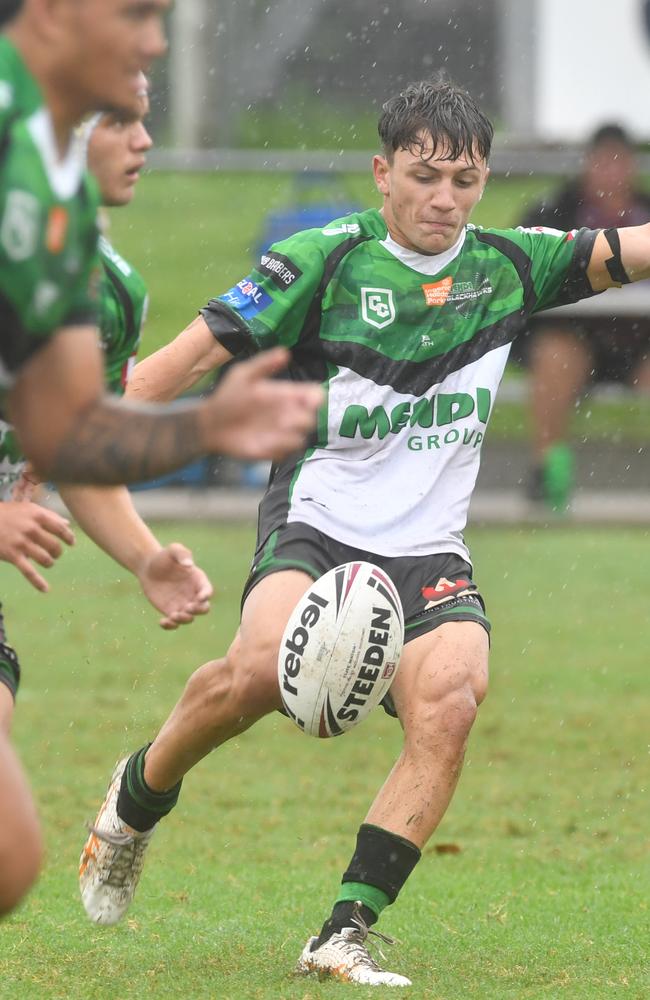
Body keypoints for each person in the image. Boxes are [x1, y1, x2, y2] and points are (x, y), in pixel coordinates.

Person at [79, 77, 650, 987]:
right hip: (320, 519)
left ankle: (343, 929)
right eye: (424, 177)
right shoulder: (324, 259)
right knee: (257, 673)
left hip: (429, 551)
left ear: (485, 179)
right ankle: (137, 799)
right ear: (383, 173)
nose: (444, 200)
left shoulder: (510, 263)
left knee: (453, 698)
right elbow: (183, 361)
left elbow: (633, 248)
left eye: (464, 181)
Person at [0, 0, 321, 917]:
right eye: (139, 17)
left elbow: (68, 441)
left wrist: (156, 528)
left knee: (10, 856)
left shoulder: (101, 283)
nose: (155, 42)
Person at [519, 123, 650, 510]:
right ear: (586, 165)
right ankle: (547, 472)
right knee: (555, 357)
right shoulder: (553, 210)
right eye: (602, 161)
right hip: (576, 336)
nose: (610, 172)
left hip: (640, 341)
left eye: (618, 162)